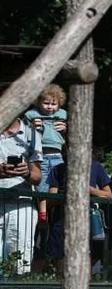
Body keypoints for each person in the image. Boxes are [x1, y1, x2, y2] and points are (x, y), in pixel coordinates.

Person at [47, 147, 112, 270]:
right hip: (61, 221)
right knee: (60, 258)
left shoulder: (96, 167)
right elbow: (50, 198)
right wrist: (65, 192)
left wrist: (90, 190)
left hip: (87, 221)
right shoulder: (58, 169)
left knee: (86, 256)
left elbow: (108, 195)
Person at [0, 118, 43, 275]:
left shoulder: (31, 134)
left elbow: (37, 177)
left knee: (19, 263)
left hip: (21, 205)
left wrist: (27, 172)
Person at [24, 84, 68, 224]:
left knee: (56, 185)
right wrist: (31, 127)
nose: (50, 107)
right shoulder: (31, 115)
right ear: (38, 102)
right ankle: (43, 214)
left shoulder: (62, 115)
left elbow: (69, 136)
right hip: (40, 154)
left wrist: (66, 129)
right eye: (46, 103)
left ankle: (51, 212)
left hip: (57, 154)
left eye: (54, 104)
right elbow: (24, 133)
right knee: (41, 185)